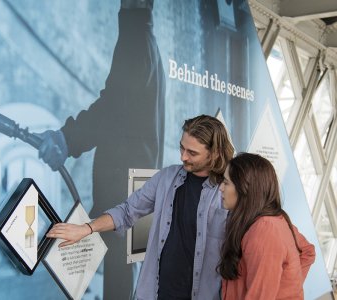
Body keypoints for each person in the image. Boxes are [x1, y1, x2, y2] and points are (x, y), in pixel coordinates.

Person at [36, 0, 165, 298]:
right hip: (139, 178)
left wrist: (67, 138)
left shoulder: (135, 38)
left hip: (123, 182)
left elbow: (112, 108)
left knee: (109, 266)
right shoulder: (148, 41)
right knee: (119, 269)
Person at [47, 114, 235, 300]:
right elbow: (127, 211)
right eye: (181, 148)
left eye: (192, 153)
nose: (183, 156)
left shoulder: (229, 191)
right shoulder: (166, 178)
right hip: (157, 294)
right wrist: (87, 229)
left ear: (215, 153)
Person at [218, 152, 316, 299]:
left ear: (245, 188)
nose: (221, 188)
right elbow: (308, 252)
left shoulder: (265, 230)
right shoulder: (270, 220)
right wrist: (286, 285)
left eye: (226, 183)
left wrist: (284, 291)